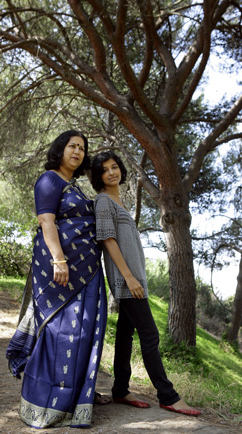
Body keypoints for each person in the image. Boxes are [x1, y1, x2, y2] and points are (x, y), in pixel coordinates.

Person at [6, 130, 108, 429]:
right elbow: (46, 220)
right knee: (58, 333)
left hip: (86, 271)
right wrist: (59, 259)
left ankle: (72, 403)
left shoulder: (73, 185)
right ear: (60, 149)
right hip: (60, 270)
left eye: (82, 148)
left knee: (81, 333)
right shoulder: (49, 180)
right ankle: (41, 405)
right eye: (72, 146)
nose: (77, 151)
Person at [90, 150, 201, 417]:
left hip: (134, 279)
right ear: (98, 176)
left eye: (114, 166)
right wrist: (128, 277)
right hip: (126, 280)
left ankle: (120, 389)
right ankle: (169, 396)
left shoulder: (119, 202)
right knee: (150, 335)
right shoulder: (103, 201)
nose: (112, 172)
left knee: (126, 336)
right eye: (105, 170)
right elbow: (107, 239)